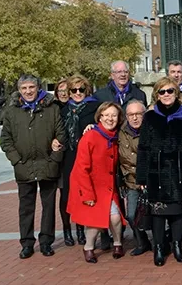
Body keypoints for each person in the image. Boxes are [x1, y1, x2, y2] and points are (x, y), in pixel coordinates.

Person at [136, 77, 182, 266]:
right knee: (158, 212)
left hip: (179, 170)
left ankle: (177, 245)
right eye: (162, 92)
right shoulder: (150, 117)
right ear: (156, 95)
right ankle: (158, 248)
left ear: (176, 93)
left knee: (178, 212)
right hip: (156, 171)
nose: (166, 95)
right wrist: (142, 175)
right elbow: (143, 148)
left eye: (170, 91)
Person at [1, 74, 66, 259]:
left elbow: (61, 135)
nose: (28, 91)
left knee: (48, 206)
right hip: (24, 167)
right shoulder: (12, 111)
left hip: (48, 165)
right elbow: (6, 140)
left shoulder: (52, 108)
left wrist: (54, 158)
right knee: (26, 207)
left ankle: (46, 242)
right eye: (24, 88)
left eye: (31, 87)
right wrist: (16, 160)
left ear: (38, 88)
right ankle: (27, 243)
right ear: (19, 90)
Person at [68, 102, 127, 263]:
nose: (110, 118)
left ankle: (117, 244)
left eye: (114, 115)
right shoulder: (90, 136)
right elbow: (81, 168)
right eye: (106, 115)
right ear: (100, 117)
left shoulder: (116, 136)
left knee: (115, 217)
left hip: (107, 186)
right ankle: (88, 248)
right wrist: (87, 194)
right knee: (93, 221)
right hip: (90, 185)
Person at [59, 75, 100, 248]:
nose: (77, 93)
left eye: (81, 89)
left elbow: (105, 124)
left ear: (87, 90)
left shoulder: (94, 107)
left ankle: (81, 229)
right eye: (73, 90)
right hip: (67, 157)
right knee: (66, 195)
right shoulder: (62, 110)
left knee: (84, 194)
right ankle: (67, 229)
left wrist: (95, 127)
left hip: (86, 157)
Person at [118, 100, 152, 256]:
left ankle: (162, 242)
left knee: (157, 215)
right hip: (131, 182)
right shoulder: (120, 131)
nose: (135, 118)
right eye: (131, 114)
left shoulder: (152, 130)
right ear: (126, 116)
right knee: (132, 215)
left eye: (138, 114)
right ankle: (142, 241)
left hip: (151, 181)